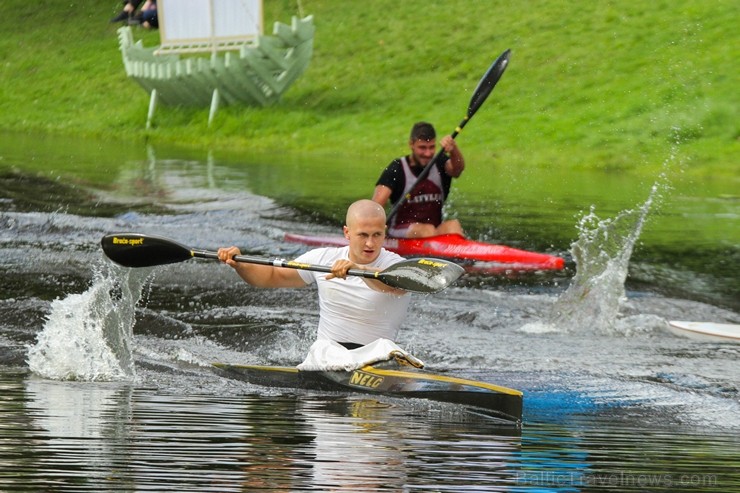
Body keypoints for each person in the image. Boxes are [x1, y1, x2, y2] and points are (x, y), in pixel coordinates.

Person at [217, 200, 411, 350]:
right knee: (323, 350)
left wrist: (360, 271)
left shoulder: (397, 266)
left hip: (379, 357)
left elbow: (396, 287)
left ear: (384, 233)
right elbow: (272, 276)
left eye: (377, 235)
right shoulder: (323, 258)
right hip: (328, 354)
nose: (370, 243)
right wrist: (240, 264)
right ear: (347, 233)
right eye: (363, 235)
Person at [372, 121, 465, 238]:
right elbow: (376, 205)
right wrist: (373, 232)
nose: (428, 153)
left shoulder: (439, 162)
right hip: (400, 232)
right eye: (422, 148)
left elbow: (457, 170)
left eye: (432, 147)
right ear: (411, 144)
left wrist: (453, 149)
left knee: (453, 226)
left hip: (433, 232)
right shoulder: (397, 168)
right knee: (426, 230)